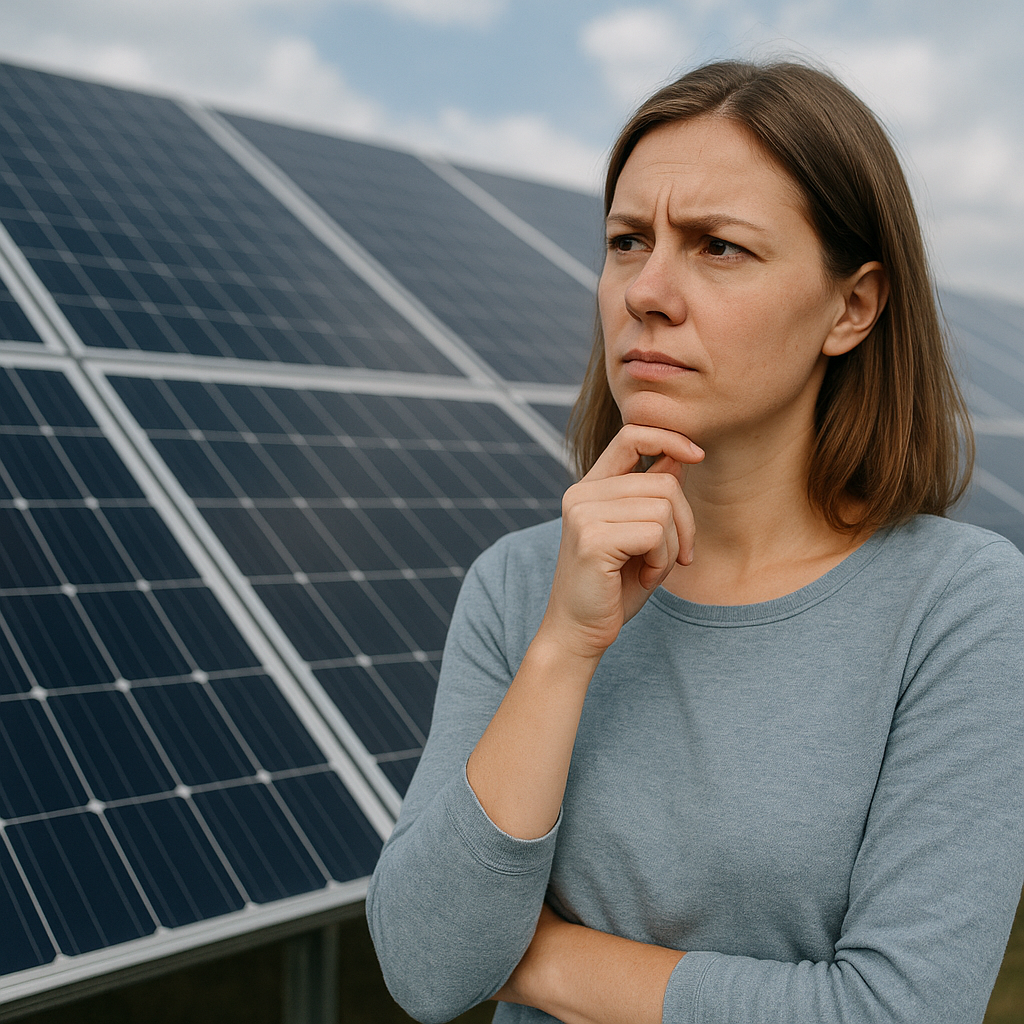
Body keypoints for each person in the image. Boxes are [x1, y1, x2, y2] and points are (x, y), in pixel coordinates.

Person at [366, 59, 1024, 1024]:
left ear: (853, 307)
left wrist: (535, 956)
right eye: (628, 242)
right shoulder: (518, 588)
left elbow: (899, 1011)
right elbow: (428, 970)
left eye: (719, 248)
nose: (649, 291)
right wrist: (564, 649)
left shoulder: (958, 604)